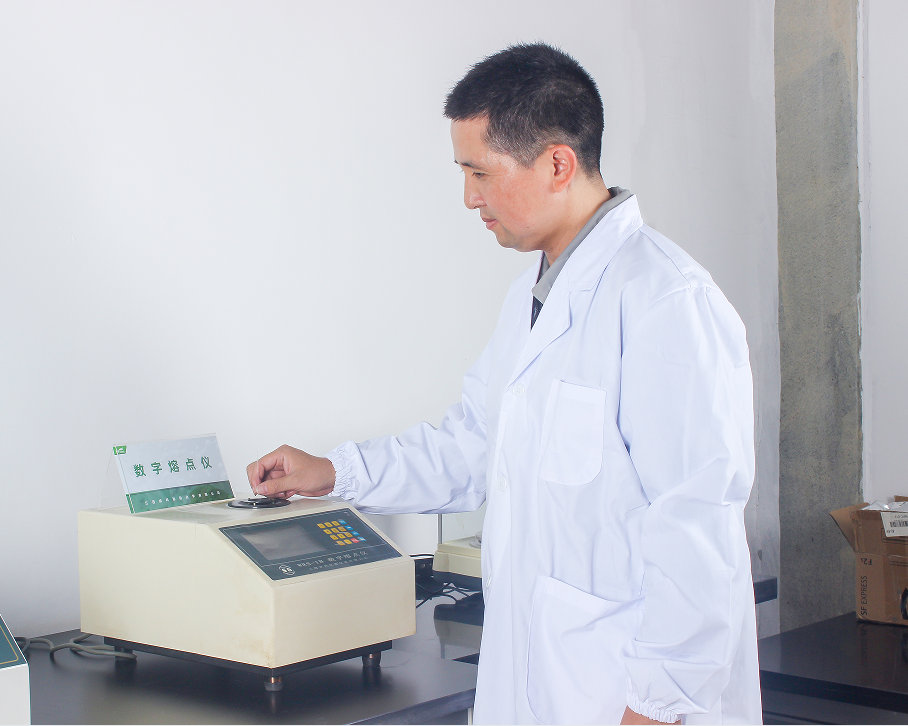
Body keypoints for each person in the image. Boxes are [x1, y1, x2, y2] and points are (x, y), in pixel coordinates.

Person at [246, 43, 761, 725]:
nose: (469, 198)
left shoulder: (667, 302)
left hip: (635, 704)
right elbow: (473, 447)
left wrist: (656, 707)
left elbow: (696, 530)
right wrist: (334, 471)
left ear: (557, 164)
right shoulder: (531, 301)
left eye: (480, 173)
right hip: (537, 691)